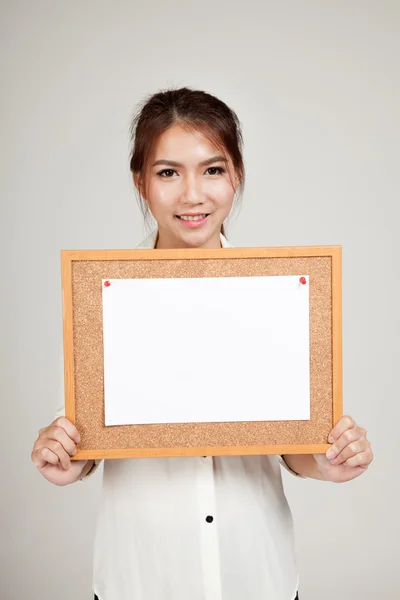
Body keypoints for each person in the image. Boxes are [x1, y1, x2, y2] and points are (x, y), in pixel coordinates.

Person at [31, 87, 374, 600]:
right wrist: (65, 459)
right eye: (168, 172)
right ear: (141, 183)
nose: (193, 195)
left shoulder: (277, 293)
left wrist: (327, 461)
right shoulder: (100, 293)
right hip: (141, 577)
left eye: (212, 170)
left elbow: (291, 444)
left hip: (256, 574)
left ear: (236, 176)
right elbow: (87, 435)